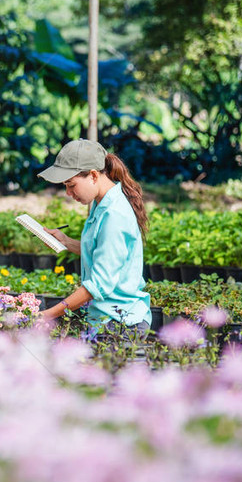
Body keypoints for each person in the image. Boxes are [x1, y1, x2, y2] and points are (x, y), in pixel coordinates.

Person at [37, 139, 151, 335]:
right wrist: (65, 241)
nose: (68, 193)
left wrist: (48, 314)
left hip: (120, 324)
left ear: (93, 175)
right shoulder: (102, 203)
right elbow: (103, 251)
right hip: (105, 317)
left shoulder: (114, 214)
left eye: (71, 185)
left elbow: (99, 284)